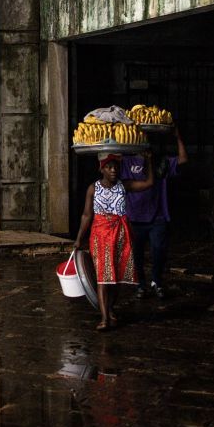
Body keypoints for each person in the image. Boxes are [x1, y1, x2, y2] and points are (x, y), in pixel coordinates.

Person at [74, 152, 154, 331]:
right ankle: (104, 318)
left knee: (116, 278)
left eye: (116, 167)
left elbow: (149, 183)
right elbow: (87, 215)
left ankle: (109, 309)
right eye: (109, 167)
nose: (113, 170)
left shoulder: (124, 186)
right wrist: (79, 238)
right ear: (101, 169)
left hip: (120, 235)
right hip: (100, 235)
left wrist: (148, 160)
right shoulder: (93, 189)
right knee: (103, 277)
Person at [122, 128, 188, 299]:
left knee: (159, 250)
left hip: (157, 215)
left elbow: (183, 160)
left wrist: (178, 137)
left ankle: (157, 281)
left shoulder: (161, 162)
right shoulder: (125, 162)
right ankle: (140, 284)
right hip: (134, 217)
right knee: (136, 254)